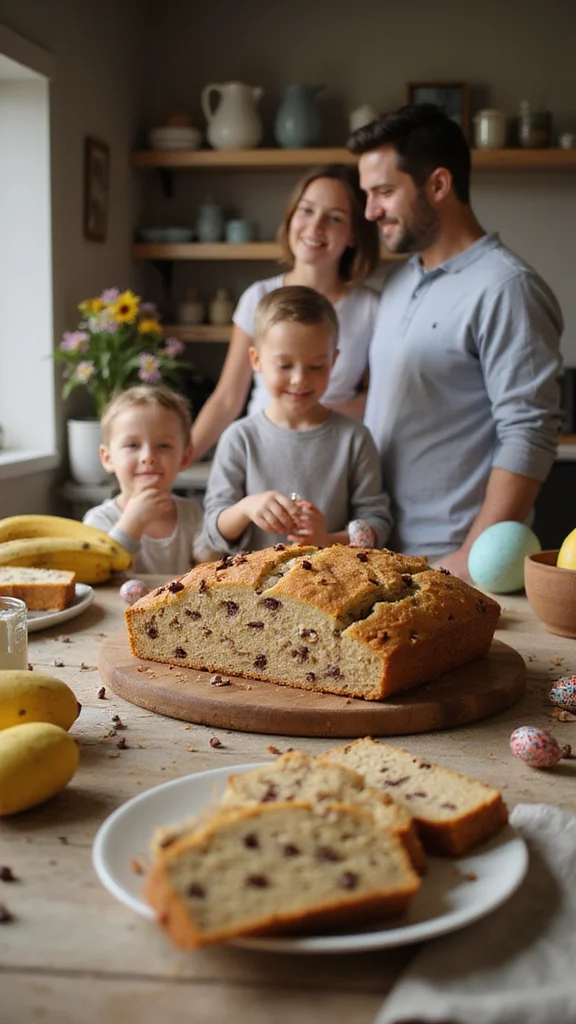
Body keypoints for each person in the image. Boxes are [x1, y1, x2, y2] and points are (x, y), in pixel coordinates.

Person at [348, 103, 563, 580]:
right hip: (386, 553)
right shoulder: (401, 280)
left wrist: (466, 560)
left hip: (453, 563)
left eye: (384, 191)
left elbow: (529, 434)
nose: (370, 211)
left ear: (439, 185)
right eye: (367, 194)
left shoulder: (507, 287)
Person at [190, 164, 381, 462]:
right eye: (306, 210)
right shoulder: (258, 297)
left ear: (354, 234)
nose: (315, 228)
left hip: (332, 458)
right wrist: (180, 459)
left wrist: (312, 415)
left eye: (334, 218)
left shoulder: (371, 308)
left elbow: (377, 399)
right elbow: (227, 399)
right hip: (261, 453)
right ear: (291, 216)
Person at [201, 285, 392, 555]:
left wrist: (326, 539)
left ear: (333, 361)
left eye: (316, 366)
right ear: (256, 360)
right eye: (285, 365)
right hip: (255, 591)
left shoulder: (355, 438)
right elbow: (213, 530)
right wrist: (246, 508)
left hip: (329, 588)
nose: (300, 379)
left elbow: (377, 524)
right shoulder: (240, 438)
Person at [84, 385, 213, 574]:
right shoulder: (99, 520)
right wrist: (131, 525)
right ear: (107, 458)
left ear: (184, 458)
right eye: (132, 445)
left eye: (163, 445)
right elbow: (98, 574)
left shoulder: (190, 513)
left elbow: (207, 569)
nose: (148, 456)